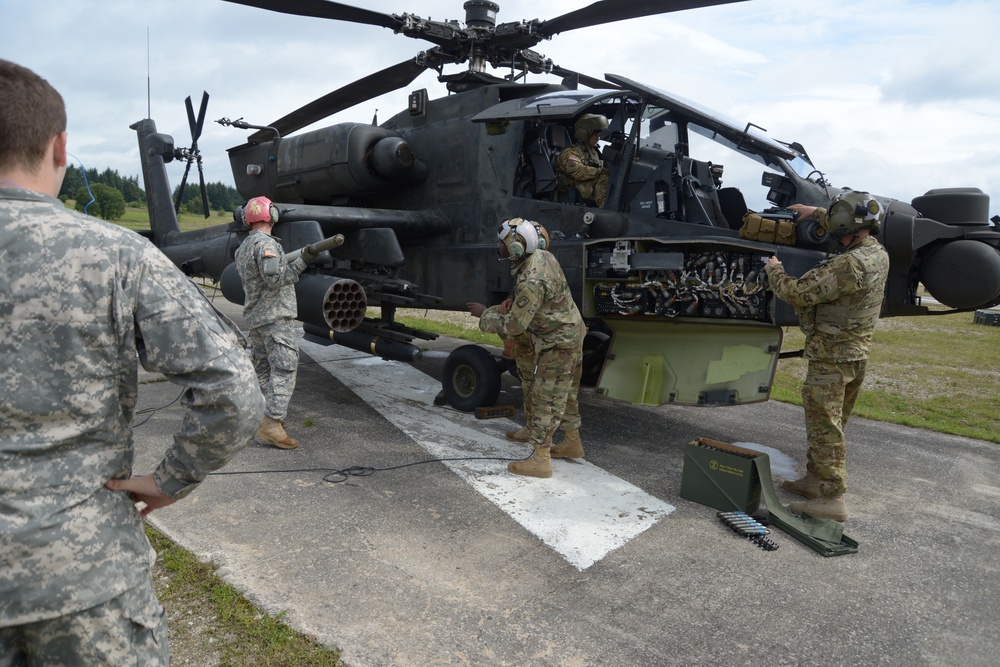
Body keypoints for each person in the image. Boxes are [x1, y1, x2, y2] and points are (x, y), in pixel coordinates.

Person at [0, 59, 264, 665]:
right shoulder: (119, 255)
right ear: (60, 147)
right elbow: (234, 392)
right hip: (85, 582)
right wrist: (171, 478)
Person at [764, 191, 890, 521]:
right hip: (854, 356)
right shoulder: (877, 253)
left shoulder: (847, 264)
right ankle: (814, 481)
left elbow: (796, 293)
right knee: (831, 424)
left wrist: (774, 269)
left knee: (825, 427)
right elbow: (845, 224)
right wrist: (816, 212)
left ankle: (832, 500)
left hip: (831, 360)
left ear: (847, 228)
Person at [467, 218, 586, 478]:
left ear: (518, 247)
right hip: (571, 332)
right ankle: (571, 442)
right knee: (566, 392)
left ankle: (541, 459)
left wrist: (485, 316)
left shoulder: (531, 280)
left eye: (503, 243)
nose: (500, 248)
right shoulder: (544, 256)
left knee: (546, 397)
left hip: (557, 342)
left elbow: (515, 326)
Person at [234, 196, 313, 449]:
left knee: (262, 370)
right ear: (272, 216)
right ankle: (272, 421)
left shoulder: (243, 247)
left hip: (257, 319)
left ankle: (258, 416)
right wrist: (303, 261)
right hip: (275, 317)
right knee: (285, 368)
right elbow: (275, 279)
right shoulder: (267, 245)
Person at [555, 113, 610, 208]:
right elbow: (580, 172)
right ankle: (607, 210)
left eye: (599, 134)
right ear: (585, 133)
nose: (598, 138)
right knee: (603, 180)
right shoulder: (569, 153)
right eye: (595, 134)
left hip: (585, 186)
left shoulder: (593, 151)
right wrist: (600, 172)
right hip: (573, 187)